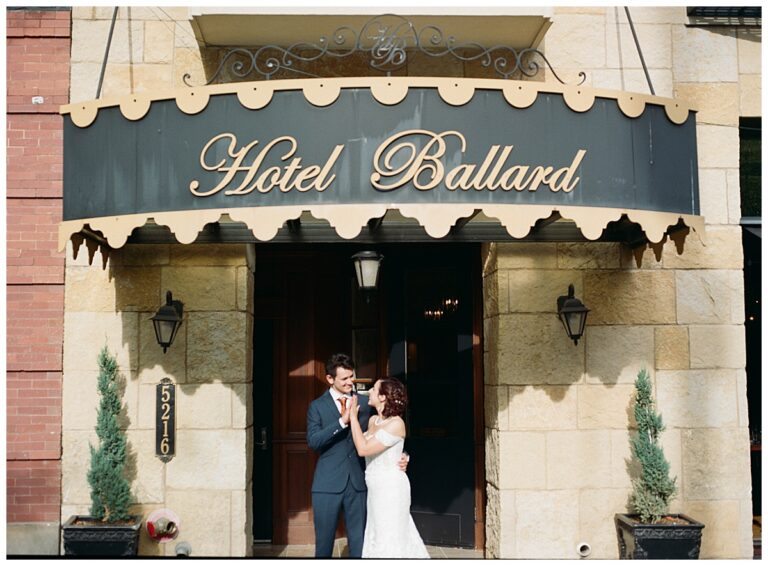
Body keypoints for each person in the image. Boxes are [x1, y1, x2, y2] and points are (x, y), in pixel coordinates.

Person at [306, 353, 408, 558]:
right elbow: (313, 442)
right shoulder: (316, 406)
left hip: (360, 483)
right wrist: (342, 422)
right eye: (343, 378)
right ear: (330, 379)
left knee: (360, 545)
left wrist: (402, 453)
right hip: (327, 484)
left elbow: (389, 431)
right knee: (324, 545)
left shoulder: (366, 403)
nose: (349, 382)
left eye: (351, 376)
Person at [349, 378, 430, 559]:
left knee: (390, 536)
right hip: (375, 489)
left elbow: (363, 449)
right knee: (377, 533)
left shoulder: (396, 423)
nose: (369, 391)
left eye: (374, 389)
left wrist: (353, 418)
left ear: (383, 397)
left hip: (391, 489)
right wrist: (403, 453)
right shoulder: (373, 420)